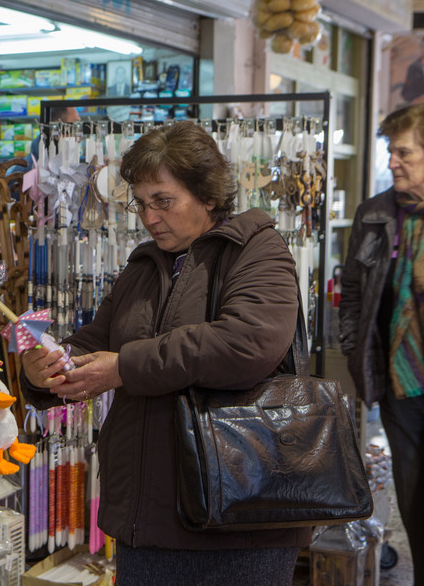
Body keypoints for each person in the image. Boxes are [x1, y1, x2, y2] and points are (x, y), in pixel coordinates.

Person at [20, 121, 307, 586]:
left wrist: (125, 368)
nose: (150, 217)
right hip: (148, 515)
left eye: (164, 202)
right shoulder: (144, 265)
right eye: (141, 203)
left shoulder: (255, 250)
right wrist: (44, 370)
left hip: (238, 517)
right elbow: (96, 341)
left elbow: (247, 345)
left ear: (208, 196)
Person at [339, 102, 424, 586]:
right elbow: (354, 297)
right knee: (413, 491)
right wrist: (356, 358)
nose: (393, 161)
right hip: (403, 376)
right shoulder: (376, 214)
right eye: (390, 151)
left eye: (404, 152)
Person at [26, 106, 80, 171]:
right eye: (75, 124)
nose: (79, 133)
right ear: (58, 128)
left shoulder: (64, 158)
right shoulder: (26, 170)